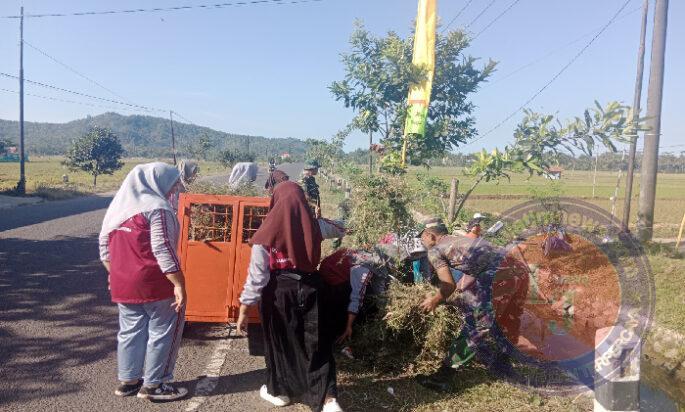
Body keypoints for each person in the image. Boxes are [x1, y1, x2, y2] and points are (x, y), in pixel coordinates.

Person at [236, 181, 343, 412]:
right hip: (313, 289)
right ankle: (328, 400)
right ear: (303, 201)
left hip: (279, 295)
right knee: (317, 344)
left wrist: (244, 309)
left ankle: (281, 392)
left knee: (281, 344)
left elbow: (257, 278)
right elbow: (343, 227)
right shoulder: (316, 226)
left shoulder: (264, 235)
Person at [98, 162, 188, 401]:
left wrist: (115, 274)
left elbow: (104, 250)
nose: (174, 189)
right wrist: (178, 283)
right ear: (157, 182)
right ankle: (155, 385)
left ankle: (128, 381)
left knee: (130, 331)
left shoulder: (118, 208)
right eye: (172, 183)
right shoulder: (158, 208)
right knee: (163, 331)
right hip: (155, 282)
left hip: (122, 283)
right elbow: (163, 248)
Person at [418, 217, 507, 371]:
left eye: (422, 238)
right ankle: (502, 359)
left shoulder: (435, 250)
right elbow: (476, 269)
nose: (422, 242)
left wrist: (434, 300)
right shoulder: (461, 240)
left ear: (430, 235)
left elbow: (448, 285)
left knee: (478, 325)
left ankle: (445, 372)